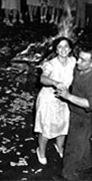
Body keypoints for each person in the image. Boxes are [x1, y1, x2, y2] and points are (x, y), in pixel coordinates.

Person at [54, 45, 92, 180]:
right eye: (78, 58)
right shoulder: (79, 70)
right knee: (82, 143)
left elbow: (90, 104)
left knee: (72, 147)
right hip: (74, 112)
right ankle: (85, 166)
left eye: (83, 60)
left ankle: (68, 175)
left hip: (84, 118)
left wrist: (68, 96)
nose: (78, 62)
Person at [34, 37, 76, 165]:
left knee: (63, 125)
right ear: (56, 50)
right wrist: (55, 82)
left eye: (66, 46)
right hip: (48, 100)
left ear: (70, 49)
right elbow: (43, 78)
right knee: (46, 127)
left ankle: (59, 147)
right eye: (60, 47)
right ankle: (41, 151)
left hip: (64, 99)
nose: (63, 49)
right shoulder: (50, 64)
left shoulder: (73, 61)